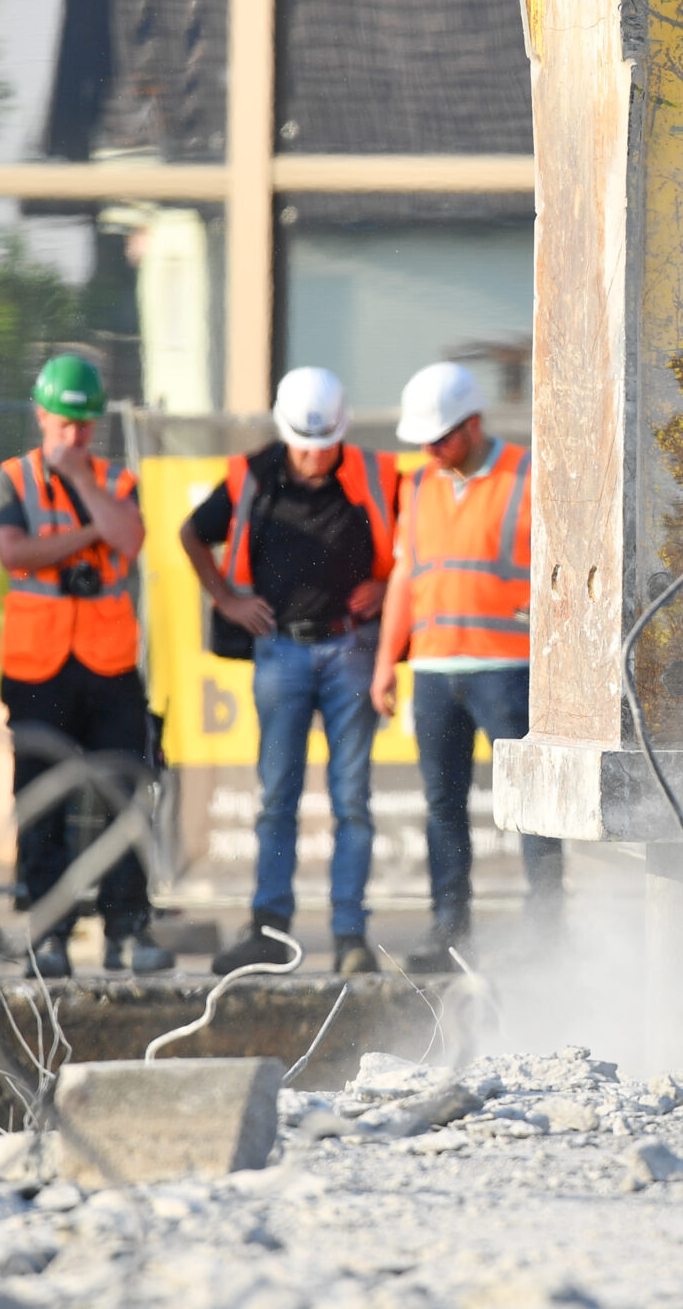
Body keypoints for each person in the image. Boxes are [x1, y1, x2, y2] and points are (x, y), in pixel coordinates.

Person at [180, 367, 399, 977]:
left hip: (351, 651)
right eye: (303, 444)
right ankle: (269, 930)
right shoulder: (250, 476)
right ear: (283, 434)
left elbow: (418, 546)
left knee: (352, 801)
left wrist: (386, 585)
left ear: (341, 433)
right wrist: (225, 599)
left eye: (324, 444)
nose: (313, 456)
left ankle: (350, 936)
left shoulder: (376, 477)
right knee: (277, 797)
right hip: (280, 652)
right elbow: (192, 535)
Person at [370, 361, 563, 971]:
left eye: (442, 438)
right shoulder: (420, 484)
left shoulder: (529, 475)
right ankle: (449, 930)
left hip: (509, 667)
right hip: (433, 671)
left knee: (532, 806)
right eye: (424, 440)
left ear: (474, 424)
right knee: (441, 805)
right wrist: (385, 664)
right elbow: (405, 574)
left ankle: (547, 931)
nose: (430, 449)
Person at [0, 355, 171, 979]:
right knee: (41, 803)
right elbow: (14, 551)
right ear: (42, 416)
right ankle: (48, 933)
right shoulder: (12, 479)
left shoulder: (115, 483)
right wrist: (83, 536)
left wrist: (86, 492)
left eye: (85, 425)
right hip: (38, 670)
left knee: (124, 793)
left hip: (110, 666)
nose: (75, 436)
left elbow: (128, 539)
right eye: (65, 424)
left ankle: (128, 927)